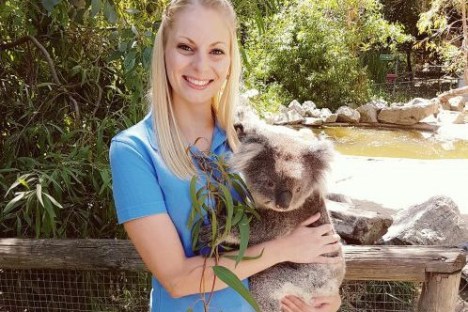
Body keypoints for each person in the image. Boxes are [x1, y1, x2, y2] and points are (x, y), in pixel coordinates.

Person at [109, 0, 342, 311]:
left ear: (231, 59)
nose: (201, 66)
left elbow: (312, 220)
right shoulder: (134, 150)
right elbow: (178, 279)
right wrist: (285, 249)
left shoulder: (247, 141)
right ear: (163, 50)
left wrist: (325, 295)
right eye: (185, 47)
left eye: (216, 50)